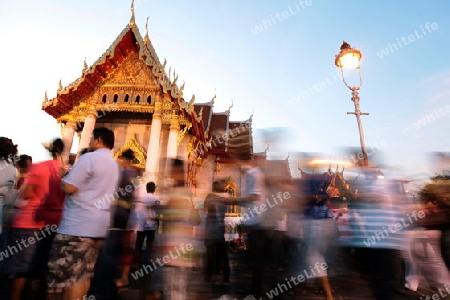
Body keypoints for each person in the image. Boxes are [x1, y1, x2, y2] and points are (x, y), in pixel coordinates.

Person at [46, 127, 120, 300]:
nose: (90, 141)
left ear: (99, 140)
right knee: (84, 275)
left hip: (77, 226)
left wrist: (64, 179)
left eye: (92, 138)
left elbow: (70, 187)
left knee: (71, 277)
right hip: (98, 228)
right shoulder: (114, 164)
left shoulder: (89, 158)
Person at [89, 148, 140, 299]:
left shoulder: (122, 173)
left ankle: (102, 290)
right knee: (113, 255)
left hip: (113, 218)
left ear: (123, 159)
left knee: (106, 255)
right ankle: (108, 288)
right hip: (124, 219)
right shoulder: (134, 175)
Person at [19, 138, 66, 300]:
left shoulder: (38, 167)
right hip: (58, 223)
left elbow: (26, 194)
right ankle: (41, 294)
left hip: (34, 220)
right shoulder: (68, 170)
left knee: (25, 267)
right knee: (47, 264)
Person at [203, 180, 231, 284]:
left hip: (211, 227)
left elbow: (206, 209)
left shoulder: (210, 196)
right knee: (223, 253)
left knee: (210, 253)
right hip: (220, 227)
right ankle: (225, 276)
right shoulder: (227, 196)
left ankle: (208, 276)